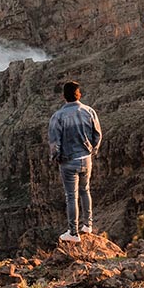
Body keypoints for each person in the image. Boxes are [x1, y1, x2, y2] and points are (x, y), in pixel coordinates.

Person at [48, 81, 102, 243]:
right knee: (85, 190)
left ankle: (73, 233)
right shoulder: (89, 111)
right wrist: (92, 151)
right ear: (79, 95)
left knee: (71, 196)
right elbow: (97, 134)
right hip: (86, 159)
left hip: (68, 162)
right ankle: (88, 225)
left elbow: (54, 142)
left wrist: (56, 158)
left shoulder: (58, 116)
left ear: (63, 96)